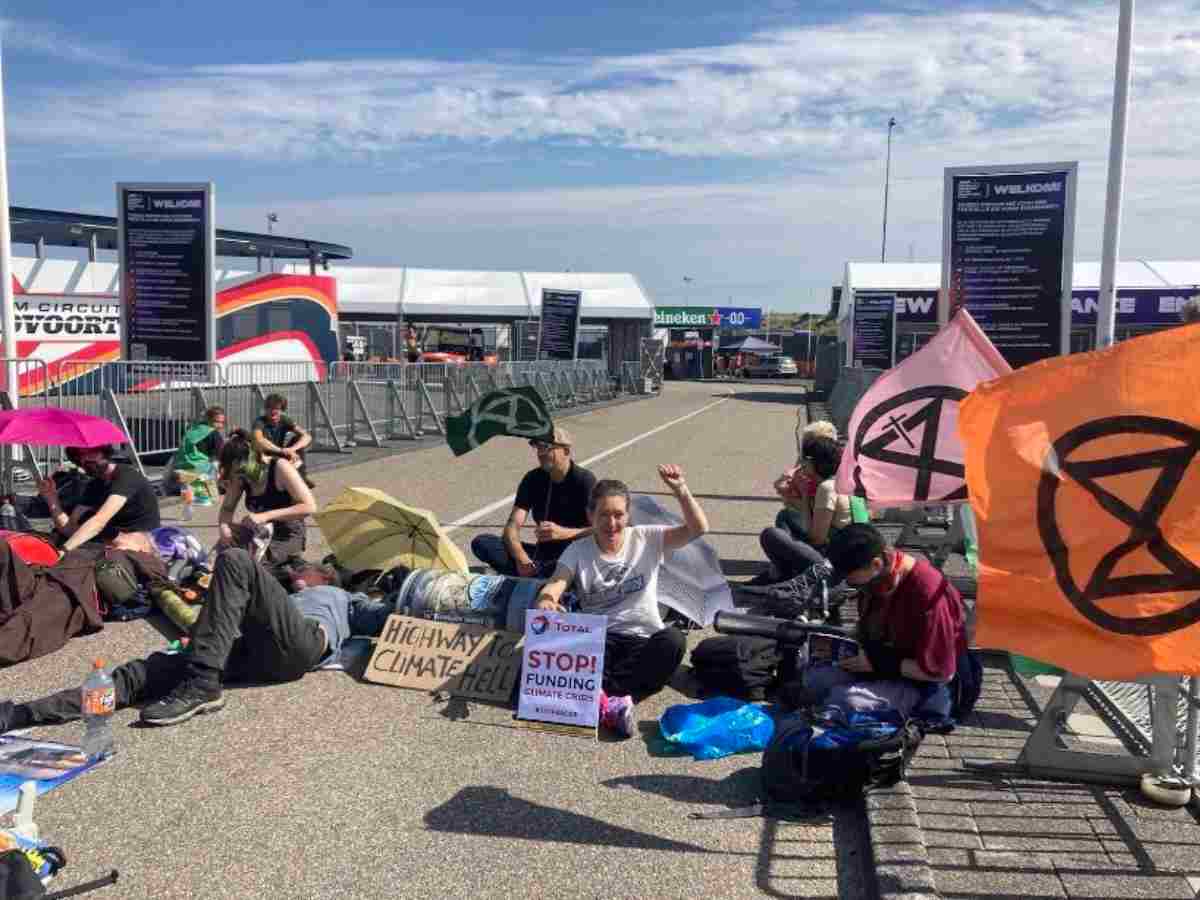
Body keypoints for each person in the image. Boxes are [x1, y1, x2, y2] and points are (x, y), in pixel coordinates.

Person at [0, 549, 397, 730]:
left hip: (302, 646)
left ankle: (204, 683)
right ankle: (19, 715)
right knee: (134, 676)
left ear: (326, 579)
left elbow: (384, 617)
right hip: (248, 652)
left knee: (237, 559)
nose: (298, 573)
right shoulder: (280, 595)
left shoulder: (343, 599)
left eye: (307, 570)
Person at [534, 465, 709, 738]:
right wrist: (547, 600)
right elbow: (557, 582)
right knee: (552, 640)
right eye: (603, 514)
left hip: (642, 640)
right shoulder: (577, 550)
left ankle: (600, 696)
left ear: (628, 516)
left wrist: (681, 491)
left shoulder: (646, 537)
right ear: (590, 516)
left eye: (618, 515)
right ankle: (611, 699)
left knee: (673, 641)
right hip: (599, 640)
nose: (611, 523)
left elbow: (698, 528)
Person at [794, 523, 967, 720]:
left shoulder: (928, 595)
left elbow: (943, 673)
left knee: (845, 700)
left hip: (925, 684)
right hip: (883, 664)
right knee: (815, 680)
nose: (849, 584)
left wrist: (879, 663)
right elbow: (872, 631)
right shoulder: (880, 578)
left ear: (876, 564)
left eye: (851, 578)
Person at [471, 426, 596, 579]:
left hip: (574, 553)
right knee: (482, 543)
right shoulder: (532, 479)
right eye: (538, 447)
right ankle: (537, 574)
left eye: (547, 447)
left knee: (573, 566)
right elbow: (512, 526)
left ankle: (541, 577)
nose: (541, 453)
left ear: (566, 451)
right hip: (541, 555)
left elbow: (598, 529)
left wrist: (563, 533)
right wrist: (521, 558)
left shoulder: (584, 480)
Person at [753, 434, 850, 586]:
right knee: (786, 515)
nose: (801, 462)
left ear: (812, 462)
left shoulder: (827, 488)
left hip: (831, 567)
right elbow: (803, 514)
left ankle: (783, 573)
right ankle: (782, 571)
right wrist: (789, 491)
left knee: (770, 535)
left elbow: (817, 539)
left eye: (804, 458)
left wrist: (804, 495)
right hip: (836, 556)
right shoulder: (836, 482)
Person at [217, 430, 316, 566]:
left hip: (287, 534)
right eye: (235, 473)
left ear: (253, 457)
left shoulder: (280, 467)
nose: (240, 477)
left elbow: (309, 506)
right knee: (223, 556)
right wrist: (224, 527)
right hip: (259, 532)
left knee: (250, 565)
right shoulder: (240, 475)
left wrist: (265, 516)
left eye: (240, 471)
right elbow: (227, 508)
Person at [39, 445, 161, 552]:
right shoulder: (95, 484)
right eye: (80, 455)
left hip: (139, 541)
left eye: (91, 452)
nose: (85, 459)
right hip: (109, 540)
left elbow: (99, 521)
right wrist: (52, 498)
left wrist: (64, 550)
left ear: (104, 452)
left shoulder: (126, 477)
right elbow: (70, 529)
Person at [171, 406, 226, 506]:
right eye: (217, 422)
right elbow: (220, 454)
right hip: (199, 467)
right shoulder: (213, 434)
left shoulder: (193, 428)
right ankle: (207, 497)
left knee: (192, 485)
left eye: (222, 422)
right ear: (208, 420)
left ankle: (191, 494)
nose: (220, 425)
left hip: (182, 464)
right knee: (216, 468)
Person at [252, 393, 312, 473]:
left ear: (281, 410)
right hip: (264, 456)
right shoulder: (259, 422)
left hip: (281, 453)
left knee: (297, 438)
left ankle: (301, 475)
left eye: (276, 408)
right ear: (265, 409)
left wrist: (292, 449)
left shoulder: (284, 420)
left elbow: (307, 436)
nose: (273, 411)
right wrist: (281, 450)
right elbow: (259, 440)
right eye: (270, 408)